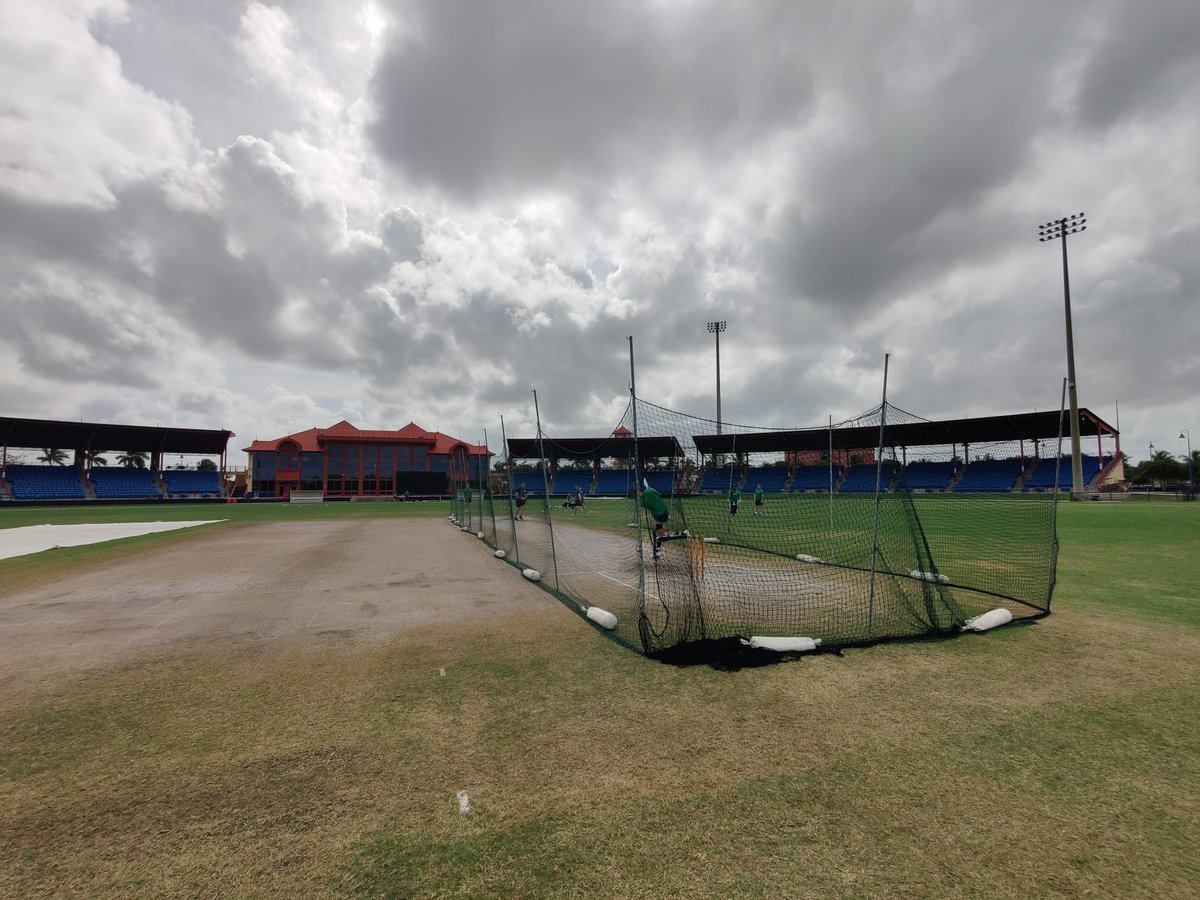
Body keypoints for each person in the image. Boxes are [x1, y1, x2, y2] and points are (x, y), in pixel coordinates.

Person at [642, 478, 687, 558]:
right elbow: (658, 494)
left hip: (661, 516)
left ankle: (682, 535)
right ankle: (658, 550)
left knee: (661, 535)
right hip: (662, 514)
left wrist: (646, 493)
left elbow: (643, 504)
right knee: (659, 532)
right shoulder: (652, 492)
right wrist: (649, 490)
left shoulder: (646, 497)